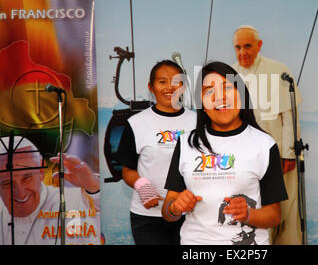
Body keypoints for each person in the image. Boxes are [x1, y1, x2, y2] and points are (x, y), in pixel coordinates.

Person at [162, 61, 288, 245]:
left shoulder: (264, 144)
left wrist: (249, 214)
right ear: (202, 104)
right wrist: (175, 208)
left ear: (241, 95)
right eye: (209, 91)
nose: (219, 97)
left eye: (227, 88)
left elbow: (274, 216)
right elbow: (167, 211)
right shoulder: (185, 143)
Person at [231, 25, 303, 245]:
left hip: (279, 157)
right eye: (238, 47)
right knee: (253, 208)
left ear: (259, 45)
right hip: (245, 158)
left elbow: (289, 117)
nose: (242, 52)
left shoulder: (278, 70)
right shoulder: (229, 74)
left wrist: (289, 154)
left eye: (248, 46)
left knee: (286, 208)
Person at [117, 60, 196, 245]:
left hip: (190, 215)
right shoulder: (136, 123)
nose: (170, 87)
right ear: (151, 87)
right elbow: (127, 169)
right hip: (147, 218)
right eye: (162, 82)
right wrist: (142, 185)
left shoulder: (198, 121)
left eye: (176, 81)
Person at [0, 136, 100, 245]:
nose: (20, 192)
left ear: (41, 170)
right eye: (7, 183)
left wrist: (94, 188)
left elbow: (109, 221)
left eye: (26, 178)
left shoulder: (74, 201)